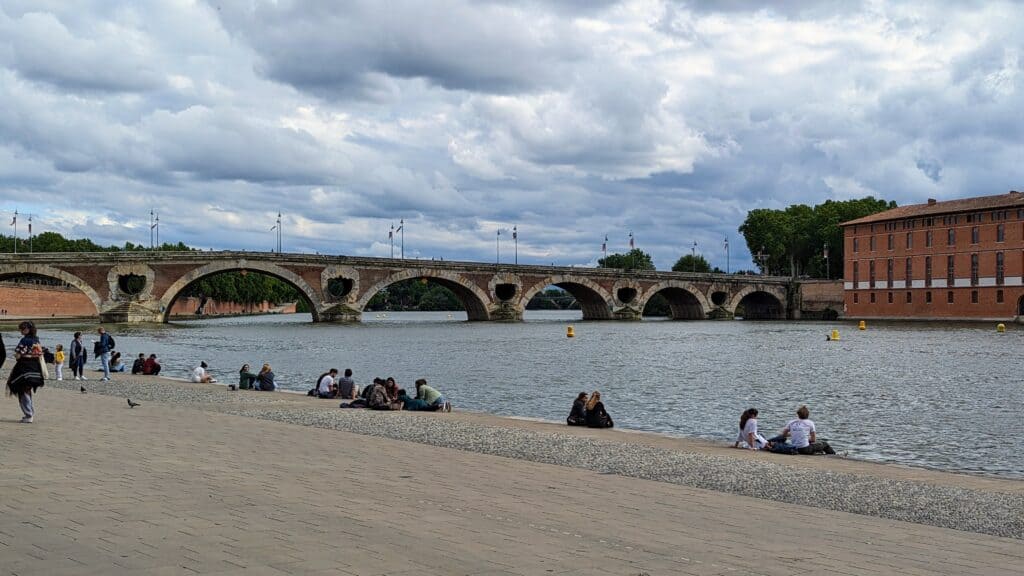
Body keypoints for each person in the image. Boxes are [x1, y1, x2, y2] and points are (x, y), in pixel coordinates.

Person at [7, 321, 44, 423]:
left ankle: (29, 414)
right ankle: (30, 413)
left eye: (22, 329)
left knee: (21, 390)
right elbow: (39, 353)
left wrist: (20, 355)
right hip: (36, 368)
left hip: (23, 367)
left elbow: (18, 355)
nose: (21, 331)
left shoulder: (24, 340)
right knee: (28, 389)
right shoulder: (36, 339)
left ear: (27, 329)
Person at [769, 405, 836, 455]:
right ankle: (833, 456)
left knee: (809, 442)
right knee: (825, 444)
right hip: (805, 449)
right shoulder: (810, 423)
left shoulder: (791, 422)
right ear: (808, 415)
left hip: (794, 447)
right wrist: (806, 439)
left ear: (798, 415)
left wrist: (793, 433)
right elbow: (813, 440)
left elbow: (783, 435)